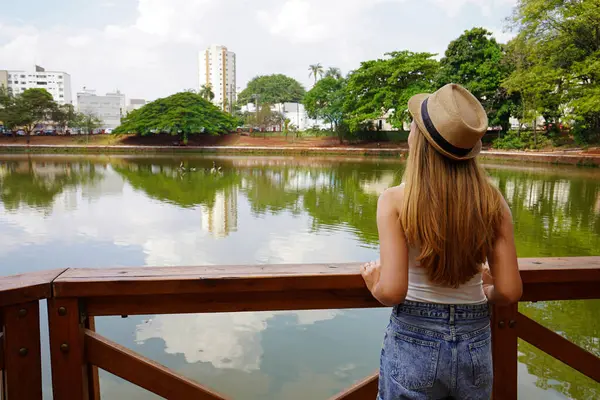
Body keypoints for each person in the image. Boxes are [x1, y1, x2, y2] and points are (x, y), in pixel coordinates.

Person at [360, 83, 522, 400]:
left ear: (417, 141)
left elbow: (393, 291)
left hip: (413, 338)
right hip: (474, 339)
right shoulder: (493, 201)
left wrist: (373, 281)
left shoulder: (394, 201)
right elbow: (510, 290)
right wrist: (487, 288)